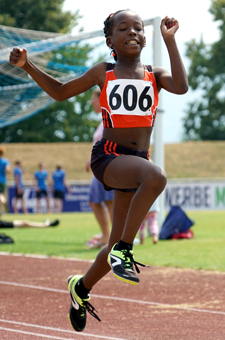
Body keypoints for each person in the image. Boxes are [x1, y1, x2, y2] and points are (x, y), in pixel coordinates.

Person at [9, 10, 188, 331]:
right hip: (108, 157)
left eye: (138, 28)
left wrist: (170, 41)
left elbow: (182, 86)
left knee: (114, 238)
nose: (133, 32)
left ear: (145, 38)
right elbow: (61, 92)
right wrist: (27, 66)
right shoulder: (102, 72)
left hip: (135, 161)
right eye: (124, 29)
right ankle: (125, 250)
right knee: (157, 176)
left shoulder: (153, 73)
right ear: (110, 41)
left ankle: (81, 287)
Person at [85, 88, 113, 249]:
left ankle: (111, 239)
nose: (91, 102)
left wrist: (93, 159)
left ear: (101, 99)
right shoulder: (103, 120)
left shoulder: (108, 118)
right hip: (100, 167)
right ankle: (108, 237)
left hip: (106, 166)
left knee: (109, 202)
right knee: (101, 201)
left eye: (93, 99)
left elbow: (107, 144)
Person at [0, 146, 10, 215]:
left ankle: (3, 201)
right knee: (1, 194)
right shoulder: (5, 161)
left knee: (0, 195)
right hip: (3, 180)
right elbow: (7, 170)